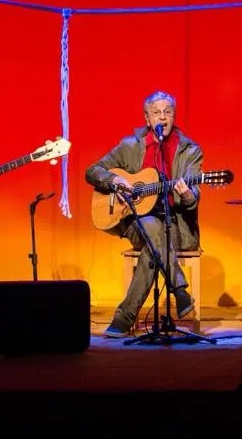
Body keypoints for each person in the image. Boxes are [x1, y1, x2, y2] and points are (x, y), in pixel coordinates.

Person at [86, 91, 200, 338]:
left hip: (176, 227)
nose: (163, 117)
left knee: (154, 236)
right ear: (147, 119)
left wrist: (189, 196)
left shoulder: (189, 150)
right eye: (156, 112)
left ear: (174, 116)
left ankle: (124, 317)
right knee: (149, 224)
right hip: (134, 223)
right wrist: (115, 180)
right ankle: (179, 288)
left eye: (168, 112)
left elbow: (194, 192)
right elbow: (92, 171)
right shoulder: (129, 146)